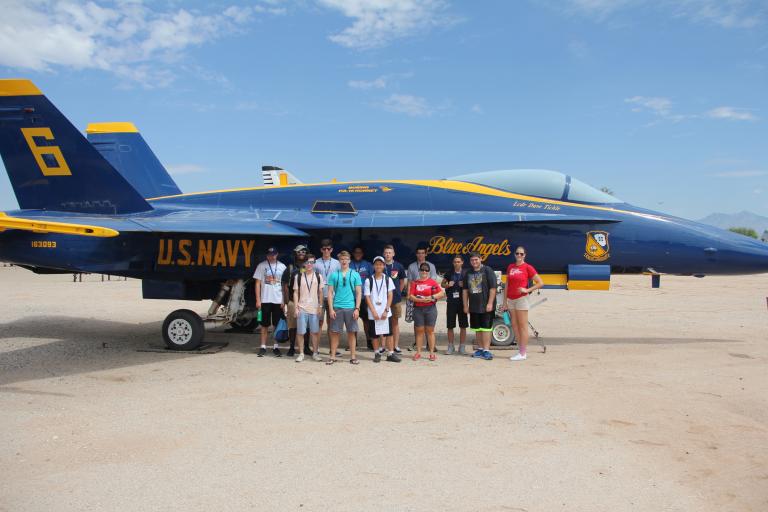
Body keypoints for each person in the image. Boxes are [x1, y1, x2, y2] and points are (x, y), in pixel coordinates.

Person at [502, 246, 543, 361]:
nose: (519, 256)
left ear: (525, 255)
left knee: (522, 326)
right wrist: (504, 302)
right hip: (510, 299)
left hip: (521, 299)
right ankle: (520, 350)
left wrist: (527, 290)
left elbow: (540, 283)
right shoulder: (510, 267)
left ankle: (523, 352)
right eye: (517, 253)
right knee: (514, 325)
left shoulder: (528, 267)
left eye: (521, 254)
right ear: (514, 254)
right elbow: (507, 285)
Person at [326, 250, 362, 365]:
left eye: (346, 259)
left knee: (351, 333)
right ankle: (332, 356)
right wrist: (331, 309)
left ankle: (353, 356)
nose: (344, 261)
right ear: (339, 261)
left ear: (349, 260)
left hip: (351, 307)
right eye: (342, 259)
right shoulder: (334, 274)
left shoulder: (355, 274)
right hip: (337, 307)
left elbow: (358, 293)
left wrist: (357, 308)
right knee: (335, 333)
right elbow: (330, 293)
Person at [363, 256, 401, 363]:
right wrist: (373, 311)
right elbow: (367, 297)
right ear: (373, 266)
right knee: (374, 334)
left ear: (384, 266)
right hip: (373, 312)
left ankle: (390, 354)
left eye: (381, 264)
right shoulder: (368, 280)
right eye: (376, 264)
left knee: (388, 333)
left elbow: (390, 295)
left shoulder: (388, 279)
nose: (378, 266)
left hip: (385, 312)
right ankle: (377, 353)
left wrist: (386, 310)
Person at [462, 252, 497, 360]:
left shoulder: (487, 270)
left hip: (486, 306)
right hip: (474, 306)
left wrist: (490, 303)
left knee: (486, 329)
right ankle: (480, 349)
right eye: (472, 260)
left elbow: (493, 288)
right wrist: (465, 305)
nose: (474, 262)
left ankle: (486, 350)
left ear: (481, 259)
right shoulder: (468, 273)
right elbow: (465, 290)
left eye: (476, 259)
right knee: (477, 329)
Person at [254, 246, 287, 357]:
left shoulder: (282, 266)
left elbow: (284, 285)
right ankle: (263, 346)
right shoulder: (261, 265)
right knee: (264, 324)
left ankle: (276, 346)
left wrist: (284, 300)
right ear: (266, 255)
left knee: (277, 325)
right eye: (269, 254)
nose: (271, 256)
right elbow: (257, 283)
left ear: (277, 254)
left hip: (278, 300)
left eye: (273, 254)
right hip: (265, 299)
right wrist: (258, 300)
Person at [408, 263, 445, 361]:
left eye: (426, 270)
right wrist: (419, 300)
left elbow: (441, 293)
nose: (424, 271)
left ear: (428, 272)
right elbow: (410, 296)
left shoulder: (432, 282)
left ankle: (432, 353)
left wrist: (431, 297)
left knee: (430, 331)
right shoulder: (415, 283)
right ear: (419, 271)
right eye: (422, 270)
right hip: (418, 309)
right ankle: (418, 352)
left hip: (430, 309)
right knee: (419, 331)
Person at [292, 254, 325, 362]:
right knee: (301, 332)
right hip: (302, 308)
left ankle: (315, 353)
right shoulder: (299, 276)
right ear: (303, 264)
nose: (309, 264)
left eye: (311, 262)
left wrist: (320, 306)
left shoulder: (318, 276)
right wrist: (296, 307)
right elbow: (296, 293)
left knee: (314, 332)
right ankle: (301, 353)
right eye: (307, 262)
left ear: (314, 263)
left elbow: (321, 292)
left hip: (314, 309)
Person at [407, 245, 438, 351]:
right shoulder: (411, 266)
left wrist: (431, 297)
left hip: (429, 299)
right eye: (418, 253)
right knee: (418, 324)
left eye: (422, 253)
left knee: (430, 326)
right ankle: (417, 343)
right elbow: (410, 283)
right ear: (416, 254)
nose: (420, 255)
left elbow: (433, 283)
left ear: (426, 254)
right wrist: (409, 297)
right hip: (415, 298)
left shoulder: (431, 266)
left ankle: (430, 345)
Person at [282, 244, 310, 357]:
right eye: (299, 252)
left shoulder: (309, 266)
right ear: (295, 253)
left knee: (307, 326)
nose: (301, 253)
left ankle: (306, 347)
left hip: (306, 301)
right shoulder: (289, 268)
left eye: (304, 252)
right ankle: (292, 347)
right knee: (292, 326)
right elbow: (284, 286)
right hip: (292, 301)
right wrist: (286, 302)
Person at [382, 244, 407, 353]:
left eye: (389, 252)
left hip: (396, 299)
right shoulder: (380, 266)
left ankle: (395, 345)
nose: (388, 254)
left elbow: (402, 281)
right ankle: (383, 346)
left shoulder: (398, 266)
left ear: (393, 254)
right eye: (386, 252)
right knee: (383, 322)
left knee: (395, 323)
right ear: (384, 254)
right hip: (382, 300)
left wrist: (398, 292)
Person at [315, 238, 340, 343]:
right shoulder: (316, 262)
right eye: (324, 249)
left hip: (332, 296)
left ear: (331, 250)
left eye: (328, 249)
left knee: (331, 323)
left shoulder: (337, 263)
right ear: (321, 250)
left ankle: (332, 348)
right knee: (319, 323)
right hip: (319, 296)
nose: (326, 251)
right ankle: (316, 349)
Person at [442, 255, 468, 354]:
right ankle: (451, 346)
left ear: (462, 262)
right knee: (450, 326)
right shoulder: (449, 273)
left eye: (458, 262)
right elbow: (442, 284)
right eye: (455, 262)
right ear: (453, 263)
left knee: (463, 326)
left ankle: (462, 347)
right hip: (451, 302)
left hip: (462, 302)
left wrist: (464, 285)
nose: (456, 263)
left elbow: (471, 285)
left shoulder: (466, 273)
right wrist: (448, 285)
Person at [350, 245, 374, 350]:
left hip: (364, 297)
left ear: (362, 254)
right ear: (353, 254)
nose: (358, 254)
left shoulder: (368, 265)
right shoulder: (349, 264)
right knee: (352, 320)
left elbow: (373, 279)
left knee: (366, 321)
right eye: (356, 252)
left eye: (360, 252)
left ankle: (369, 341)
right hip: (351, 297)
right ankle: (353, 342)